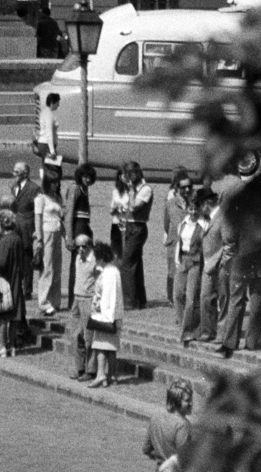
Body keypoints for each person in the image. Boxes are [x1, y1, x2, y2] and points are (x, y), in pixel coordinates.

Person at [212, 153, 261, 357]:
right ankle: (254, 340)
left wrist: (229, 246)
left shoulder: (232, 192)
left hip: (240, 251)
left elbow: (229, 226)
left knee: (236, 298)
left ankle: (230, 342)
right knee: (257, 297)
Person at [0, 208, 26, 358]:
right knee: (13, 315)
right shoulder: (17, 238)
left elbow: (1, 262)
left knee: (2, 315)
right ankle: (11, 346)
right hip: (16, 279)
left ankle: (2, 346)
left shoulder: (5, 240)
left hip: (4, 281)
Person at [88, 240, 124, 388]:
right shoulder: (113, 271)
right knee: (111, 348)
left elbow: (107, 296)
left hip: (106, 316)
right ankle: (112, 375)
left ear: (101, 258)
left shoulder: (108, 273)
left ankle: (101, 374)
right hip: (113, 316)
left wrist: (105, 315)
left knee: (101, 346)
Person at [174, 193, 205, 345]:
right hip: (183, 260)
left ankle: (187, 331)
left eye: (195, 209)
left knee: (191, 299)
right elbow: (179, 243)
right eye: (191, 209)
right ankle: (183, 325)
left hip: (195, 262)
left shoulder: (202, 226)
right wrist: (177, 259)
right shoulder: (183, 223)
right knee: (178, 294)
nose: (193, 212)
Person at [122, 159, 152, 310]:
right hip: (129, 226)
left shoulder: (145, 189)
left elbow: (134, 207)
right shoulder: (132, 188)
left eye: (133, 172)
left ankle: (130, 301)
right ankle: (140, 299)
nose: (131, 176)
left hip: (138, 226)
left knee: (126, 263)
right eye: (128, 173)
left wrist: (130, 189)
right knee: (135, 264)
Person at [34, 166, 64, 314]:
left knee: (57, 267)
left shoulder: (57, 197)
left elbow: (61, 217)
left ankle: (55, 300)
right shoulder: (41, 198)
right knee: (47, 268)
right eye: (53, 182)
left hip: (57, 232)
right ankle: (44, 302)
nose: (56, 185)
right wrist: (39, 239)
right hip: (47, 232)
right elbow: (38, 219)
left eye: (57, 182)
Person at [197, 188, 226, 342]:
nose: (199, 209)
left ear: (206, 204)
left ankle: (222, 333)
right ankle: (208, 330)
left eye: (199, 205)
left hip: (221, 264)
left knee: (223, 298)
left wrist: (214, 261)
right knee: (206, 297)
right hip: (208, 264)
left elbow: (227, 243)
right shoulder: (206, 219)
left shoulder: (223, 217)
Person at [68, 232, 98, 380]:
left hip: (88, 300)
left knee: (88, 337)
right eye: (77, 247)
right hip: (77, 299)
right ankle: (79, 367)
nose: (80, 250)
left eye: (83, 247)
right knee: (76, 335)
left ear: (90, 246)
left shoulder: (95, 261)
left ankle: (91, 370)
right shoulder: (78, 258)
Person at [65, 162, 96, 303]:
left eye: (89, 177)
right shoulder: (75, 188)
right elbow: (69, 214)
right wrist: (69, 236)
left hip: (84, 227)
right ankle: (73, 299)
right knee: (76, 263)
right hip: (78, 228)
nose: (87, 179)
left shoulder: (84, 189)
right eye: (85, 176)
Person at [10, 161, 41, 298]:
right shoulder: (13, 187)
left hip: (28, 227)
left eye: (16, 172)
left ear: (25, 173)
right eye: (14, 171)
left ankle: (27, 290)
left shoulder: (34, 188)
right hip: (15, 225)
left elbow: (38, 210)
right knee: (14, 255)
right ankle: (15, 285)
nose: (14, 174)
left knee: (27, 257)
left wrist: (36, 229)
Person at [143, 379, 194, 463]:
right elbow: (183, 458)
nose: (191, 403)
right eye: (187, 400)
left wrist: (161, 458)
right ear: (176, 401)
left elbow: (146, 449)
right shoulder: (182, 425)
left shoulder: (156, 417)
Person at [163, 171, 192, 301]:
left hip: (190, 244)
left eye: (189, 186)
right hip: (174, 242)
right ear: (177, 188)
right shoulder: (170, 204)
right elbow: (166, 224)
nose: (187, 189)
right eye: (183, 187)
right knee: (172, 271)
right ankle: (171, 298)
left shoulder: (195, 202)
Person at [109, 167, 130, 261]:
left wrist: (122, 208)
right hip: (116, 223)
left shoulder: (131, 191)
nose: (126, 177)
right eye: (124, 175)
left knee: (126, 252)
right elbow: (111, 209)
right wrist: (114, 209)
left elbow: (133, 208)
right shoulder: (115, 191)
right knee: (115, 252)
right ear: (120, 177)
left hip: (127, 224)